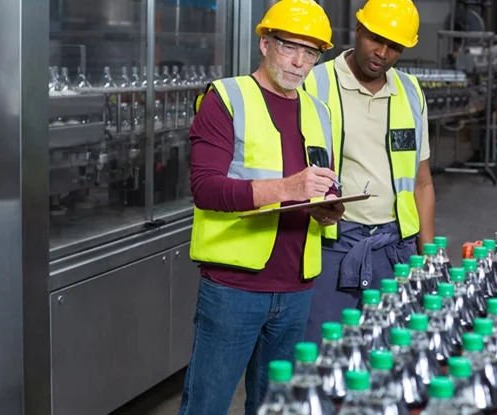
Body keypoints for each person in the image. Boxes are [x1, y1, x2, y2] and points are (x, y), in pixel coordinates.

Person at [178, 1, 344, 414]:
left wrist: (329, 208)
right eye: (290, 46)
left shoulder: (319, 111)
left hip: (298, 287)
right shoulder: (226, 99)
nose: (300, 61)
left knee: (276, 407)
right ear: (265, 44)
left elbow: (322, 183)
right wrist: (288, 187)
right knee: (207, 405)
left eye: (311, 52)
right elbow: (206, 189)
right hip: (235, 287)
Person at [302, 0, 435, 342]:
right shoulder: (313, 83)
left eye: (394, 47)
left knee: (389, 358)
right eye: (376, 39)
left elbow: (421, 182)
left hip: (395, 250)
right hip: (331, 245)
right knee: (324, 357)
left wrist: (429, 258)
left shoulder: (409, 91)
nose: (382, 53)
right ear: (358, 30)